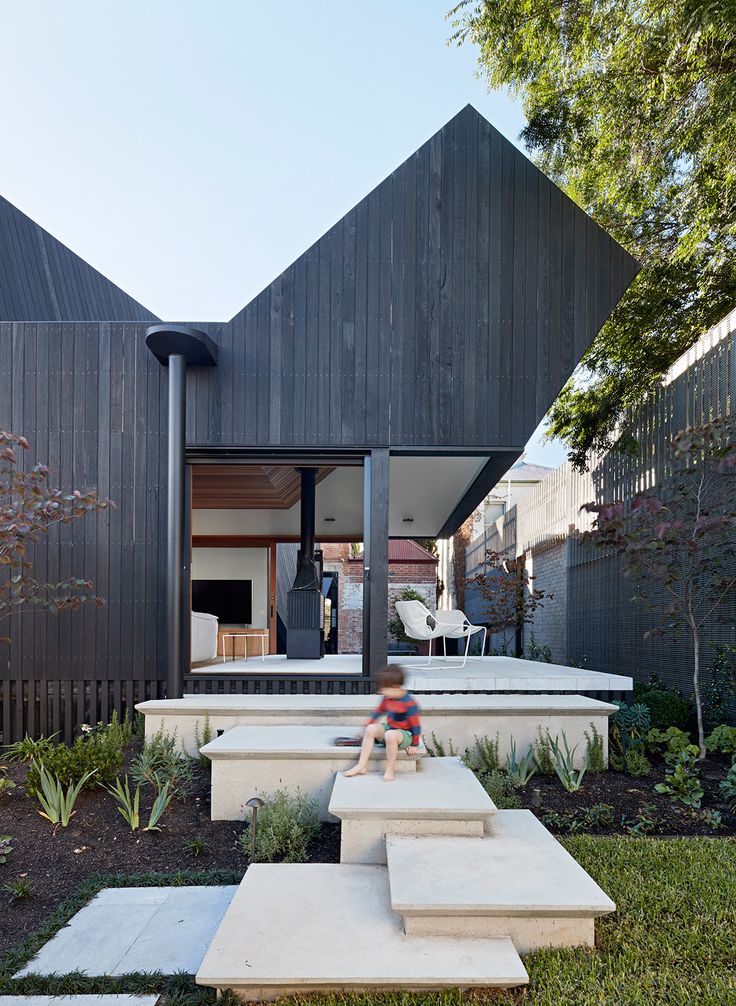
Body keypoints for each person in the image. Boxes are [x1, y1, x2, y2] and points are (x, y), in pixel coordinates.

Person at [344, 664, 421, 782]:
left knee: (390, 735)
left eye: (385, 689)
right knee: (371, 729)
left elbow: (416, 726)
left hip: (404, 734)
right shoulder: (387, 698)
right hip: (390, 728)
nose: (382, 691)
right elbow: (377, 712)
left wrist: (414, 744)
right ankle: (361, 766)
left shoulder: (409, 704)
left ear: (395, 687)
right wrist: (365, 728)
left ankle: (390, 770)